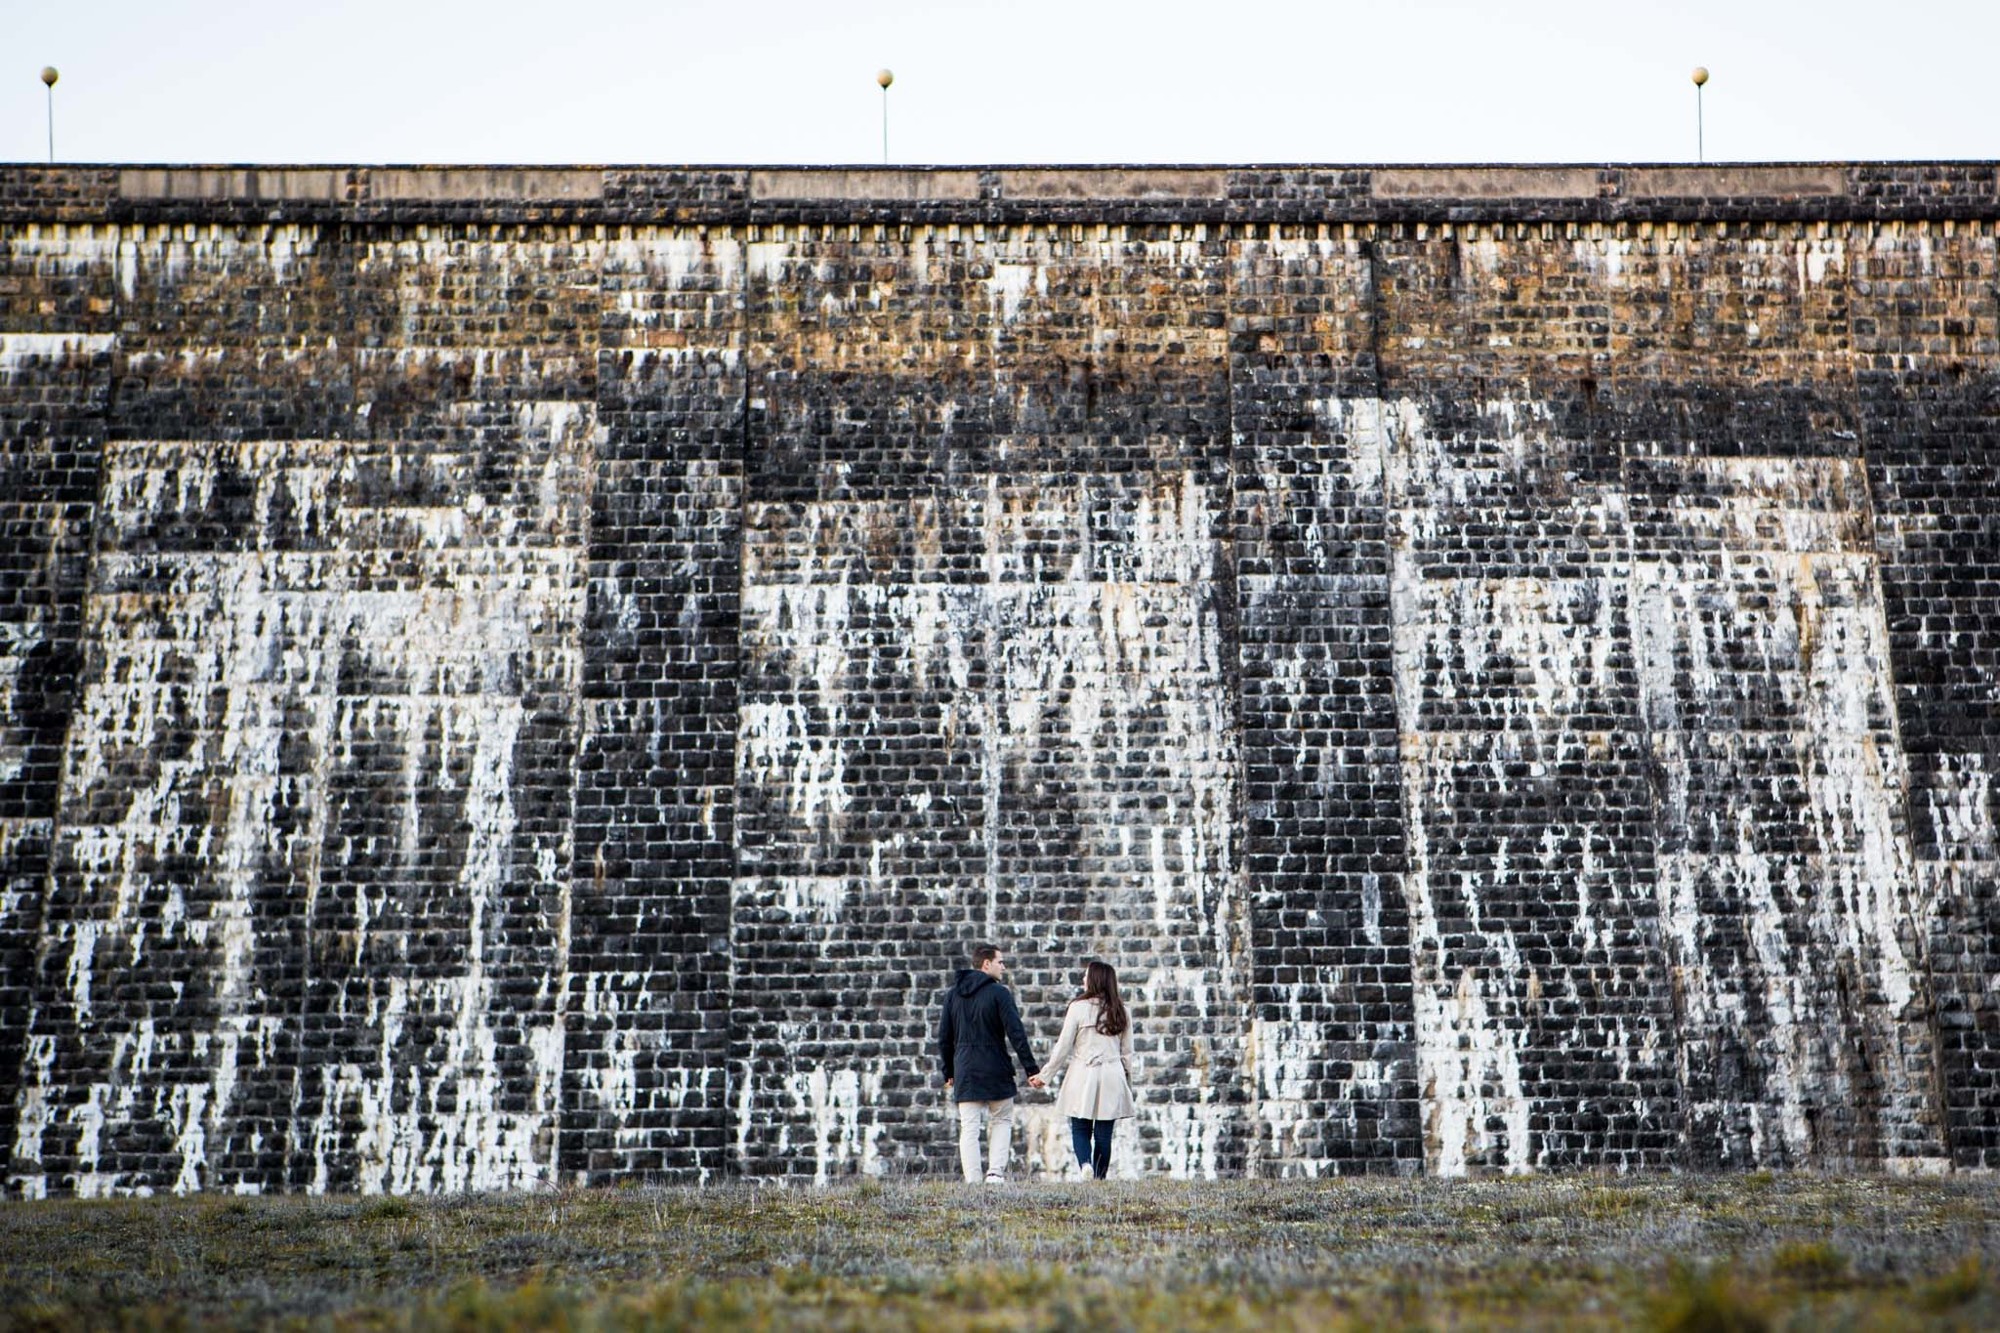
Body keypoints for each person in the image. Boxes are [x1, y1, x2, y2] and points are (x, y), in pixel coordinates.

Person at [937, 943, 1041, 1183]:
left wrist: (948, 1072)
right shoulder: (1000, 993)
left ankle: (972, 1179)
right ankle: (995, 1173)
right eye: (1000, 962)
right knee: (1002, 1119)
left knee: (969, 1127)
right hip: (995, 1066)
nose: (1003, 967)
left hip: (965, 1069)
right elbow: (1016, 1033)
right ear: (987, 964)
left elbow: (944, 1038)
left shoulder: (952, 995)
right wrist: (1031, 1069)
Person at [1027, 960, 1136, 1180]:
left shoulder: (1077, 1008)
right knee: (1104, 1134)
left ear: (1094, 980)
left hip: (1082, 1072)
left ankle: (1085, 1163)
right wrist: (1127, 1084)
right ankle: (1099, 1177)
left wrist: (1045, 1075)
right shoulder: (1122, 1011)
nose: (1083, 980)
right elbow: (1127, 1053)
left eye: (1086, 976)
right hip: (1112, 1074)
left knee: (1080, 1127)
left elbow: (1063, 1046)